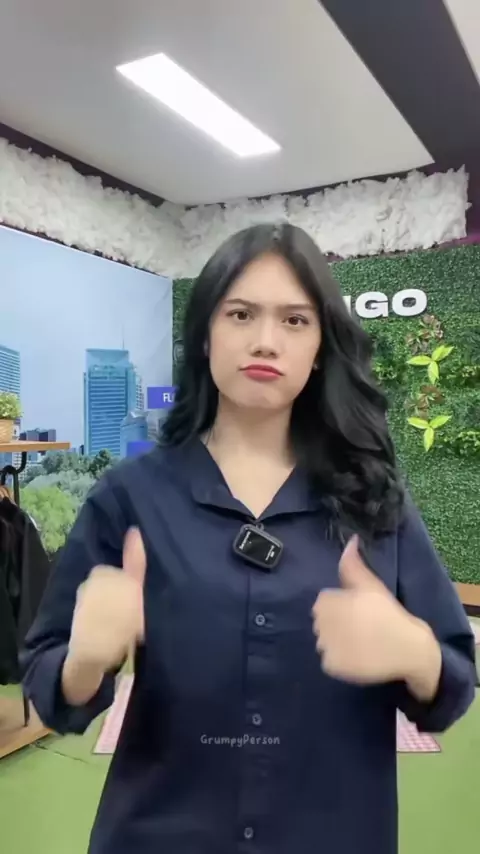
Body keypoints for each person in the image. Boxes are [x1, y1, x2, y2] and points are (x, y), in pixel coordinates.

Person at [21, 223, 476, 854]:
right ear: (205, 335)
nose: (266, 340)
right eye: (241, 313)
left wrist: (416, 653)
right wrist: (84, 662)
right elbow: (48, 680)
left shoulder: (377, 501)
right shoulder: (129, 498)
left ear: (320, 348)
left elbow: (453, 684)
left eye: (295, 320)